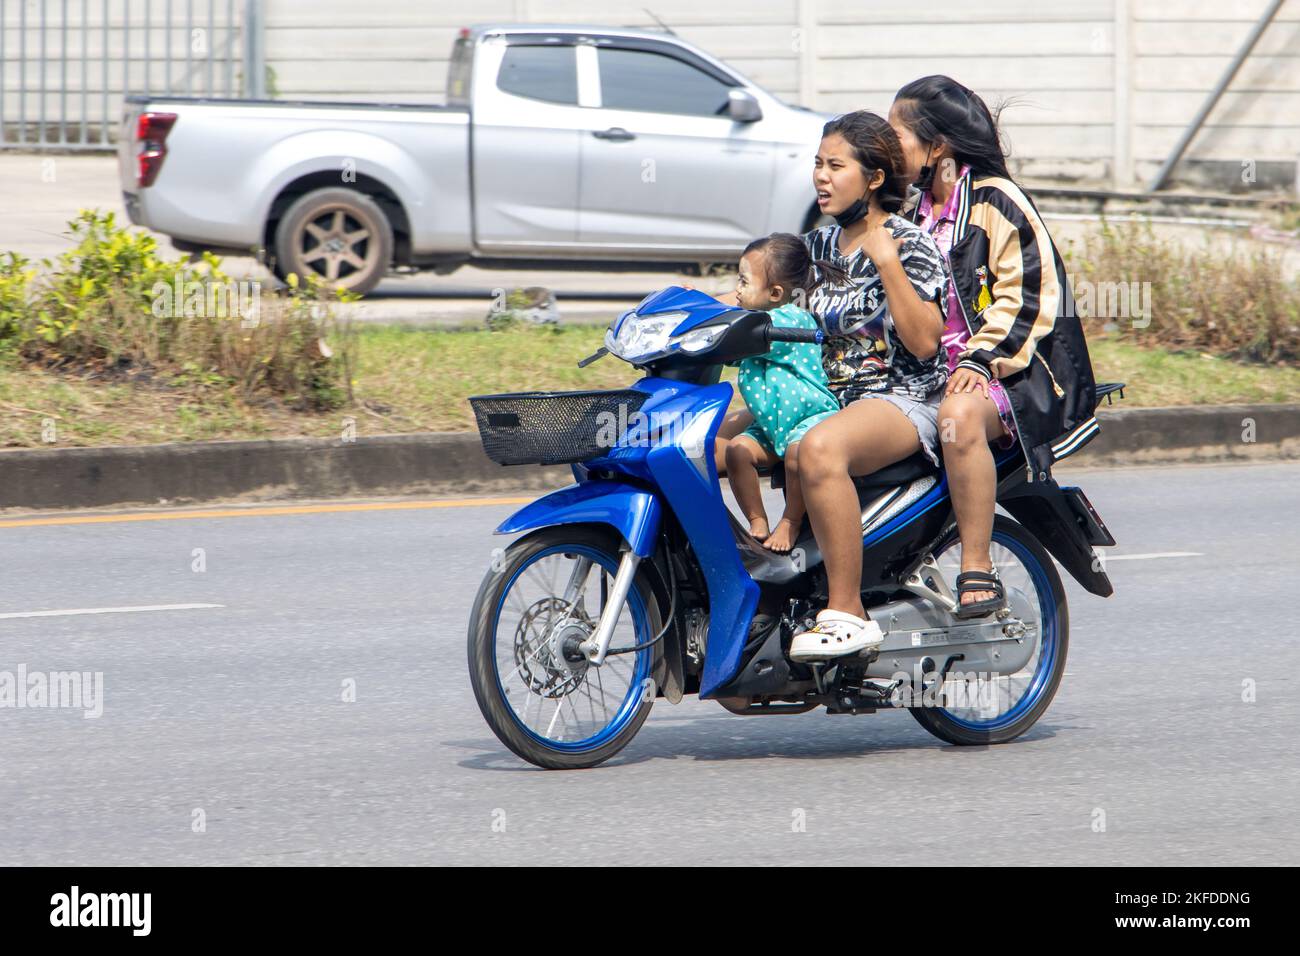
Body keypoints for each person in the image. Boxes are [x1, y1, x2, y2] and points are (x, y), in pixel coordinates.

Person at [889, 76, 1099, 617]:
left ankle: (976, 566)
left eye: (898, 136)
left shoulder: (996, 202)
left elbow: (1029, 296)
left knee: (958, 416)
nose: (887, 149)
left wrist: (980, 361)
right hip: (928, 374)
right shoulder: (910, 214)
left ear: (937, 147)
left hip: (1008, 375)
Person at [782, 111, 950, 662]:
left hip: (904, 398)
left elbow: (926, 342)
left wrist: (889, 265)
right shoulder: (817, 247)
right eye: (817, 164)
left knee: (820, 448)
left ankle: (847, 611)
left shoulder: (911, 242)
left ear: (874, 178)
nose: (821, 177)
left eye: (836, 166)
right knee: (709, 435)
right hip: (829, 395)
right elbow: (763, 295)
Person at [720, 234, 844, 553]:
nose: (737, 290)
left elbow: (734, 339)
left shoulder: (788, 321)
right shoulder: (757, 321)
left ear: (775, 293)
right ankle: (757, 520)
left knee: (795, 455)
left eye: (744, 282)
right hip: (772, 423)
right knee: (737, 451)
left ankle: (790, 521)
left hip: (810, 419)